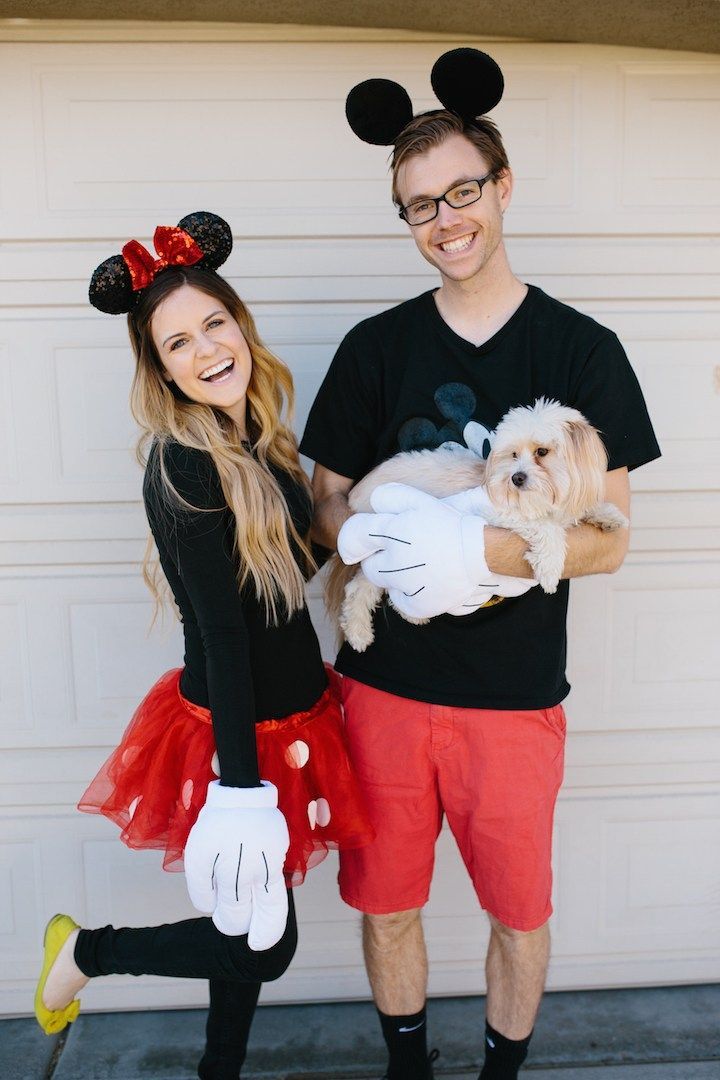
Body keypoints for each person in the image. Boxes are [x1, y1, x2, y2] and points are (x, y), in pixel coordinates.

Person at [300, 49, 661, 1080]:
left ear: (502, 187)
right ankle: (407, 1068)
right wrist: (366, 543)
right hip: (381, 694)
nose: (444, 219)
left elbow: (612, 536)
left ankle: (503, 1073)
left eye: (461, 191)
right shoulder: (374, 349)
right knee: (386, 906)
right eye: (419, 205)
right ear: (406, 219)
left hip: (512, 700)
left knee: (518, 912)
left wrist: (479, 551)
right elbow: (327, 499)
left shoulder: (582, 350)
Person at [34, 211, 373, 1080]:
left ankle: (216, 1070)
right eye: (178, 342)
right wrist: (240, 790)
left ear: (239, 324)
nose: (207, 349)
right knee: (261, 945)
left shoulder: (254, 433)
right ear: (161, 367)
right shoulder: (183, 462)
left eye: (214, 324)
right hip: (237, 734)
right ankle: (86, 953)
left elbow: (291, 571)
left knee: (244, 929)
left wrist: (367, 522)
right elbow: (220, 634)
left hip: (293, 717)